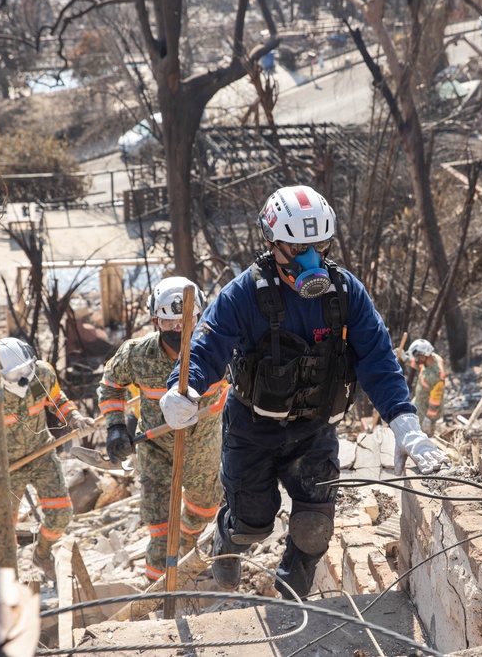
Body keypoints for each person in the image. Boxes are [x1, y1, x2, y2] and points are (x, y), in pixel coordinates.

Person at [159, 185, 449, 599]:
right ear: (272, 243)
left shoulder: (346, 293)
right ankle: (228, 539)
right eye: (296, 249)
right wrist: (180, 389)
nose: (310, 258)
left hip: (314, 432)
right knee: (252, 524)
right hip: (252, 431)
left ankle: (293, 604)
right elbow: (207, 348)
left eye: (320, 245)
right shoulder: (244, 294)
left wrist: (406, 425)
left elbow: (378, 360)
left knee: (314, 531)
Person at [98, 277, 227, 583]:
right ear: (155, 320)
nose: (179, 331)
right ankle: (157, 597)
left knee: (200, 517)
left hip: (204, 453)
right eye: (169, 323)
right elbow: (111, 386)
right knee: (161, 535)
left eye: (186, 322)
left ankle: (188, 567)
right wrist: (116, 427)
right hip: (156, 454)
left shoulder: (220, 351)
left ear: (199, 317)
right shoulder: (137, 355)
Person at [0, 337, 94, 580]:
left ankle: (43, 554)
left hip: (42, 454)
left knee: (61, 514)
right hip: (6, 468)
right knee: (3, 532)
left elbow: (58, 400)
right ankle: (6, 580)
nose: (25, 378)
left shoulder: (42, 374)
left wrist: (74, 418)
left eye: (27, 369)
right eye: (17, 374)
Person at [406, 338, 446, 436]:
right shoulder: (433, 359)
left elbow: (435, 399)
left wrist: (428, 419)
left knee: (422, 437)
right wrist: (405, 358)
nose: (416, 360)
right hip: (419, 401)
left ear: (423, 355)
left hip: (426, 411)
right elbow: (420, 365)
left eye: (417, 357)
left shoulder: (435, 375)